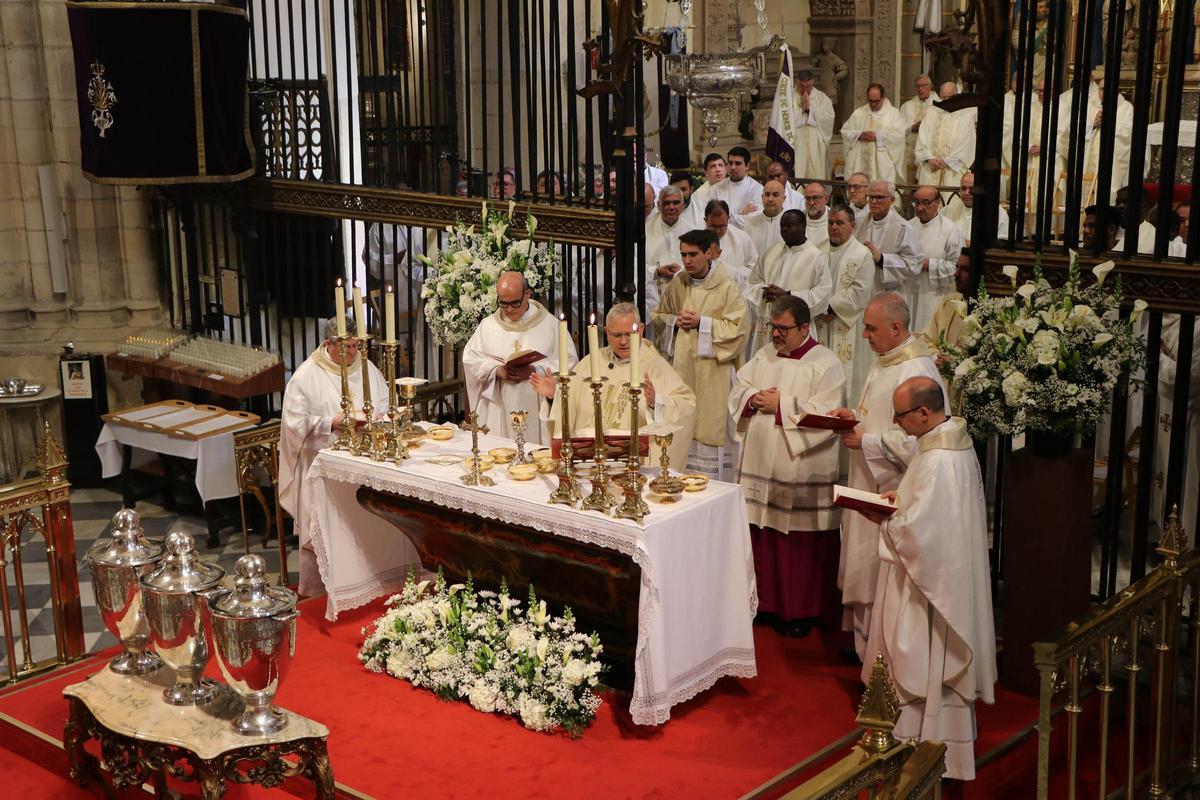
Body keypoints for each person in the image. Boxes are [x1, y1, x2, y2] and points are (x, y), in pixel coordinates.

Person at [854, 376, 996, 782]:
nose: (896, 424)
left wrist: (884, 518)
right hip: (943, 574)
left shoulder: (940, 458)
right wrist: (899, 501)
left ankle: (921, 747)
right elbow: (932, 511)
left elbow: (921, 533)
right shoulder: (949, 441)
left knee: (925, 658)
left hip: (930, 587)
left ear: (923, 412)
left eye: (900, 416)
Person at [827, 293, 947, 659]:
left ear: (896, 327)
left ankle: (880, 658)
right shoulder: (886, 359)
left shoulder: (916, 370)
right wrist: (852, 416)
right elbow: (877, 413)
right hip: (868, 474)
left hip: (894, 484)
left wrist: (868, 439)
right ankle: (864, 647)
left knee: (881, 570)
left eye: (870, 327)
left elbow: (921, 441)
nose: (864, 335)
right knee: (864, 563)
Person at [729, 295, 846, 638]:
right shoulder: (764, 355)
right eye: (772, 327)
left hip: (801, 467)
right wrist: (751, 399)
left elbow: (828, 413)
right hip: (761, 464)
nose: (775, 335)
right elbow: (739, 387)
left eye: (783, 329)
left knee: (797, 542)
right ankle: (763, 604)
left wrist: (783, 405)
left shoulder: (826, 364)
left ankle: (800, 611)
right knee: (761, 532)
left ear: (805, 328)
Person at [531, 302, 696, 468]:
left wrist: (656, 402)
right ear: (607, 332)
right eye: (617, 335)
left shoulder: (655, 365)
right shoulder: (592, 362)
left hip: (633, 464)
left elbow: (687, 404)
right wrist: (555, 395)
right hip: (589, 463)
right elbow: (569, 406)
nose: (624, 341)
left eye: (629, 334)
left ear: (640, 330)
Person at [652, 228, 751, 481]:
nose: (686, 261)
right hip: (683, 370)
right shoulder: (679, 283)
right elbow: (659, 318)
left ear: (709, 253)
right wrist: (675, 322)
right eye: (683, 254)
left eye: (693, 255)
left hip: (713, 374)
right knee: (683, 427)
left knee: (709, 431)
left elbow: (739, 330)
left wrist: (703, 323)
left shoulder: (726, 286)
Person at [279, 317, 390, 526]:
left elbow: (384, 400)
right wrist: (331, 422)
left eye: (354, 345)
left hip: (366, 458)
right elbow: (293, 423)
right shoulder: (306, 375)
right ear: (328, 343)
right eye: (345, 347)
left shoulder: (366, 366)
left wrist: (378, 417)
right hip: (325, 462)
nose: (351, 352)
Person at [462, 271, 577, 444]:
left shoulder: (550, 325)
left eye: (515, 303)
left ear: (527, 294)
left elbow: (570, 363)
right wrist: (496, 370)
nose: (509, 309)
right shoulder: (488, 326)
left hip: (537, 402)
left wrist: (535, 370)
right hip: (499, 405)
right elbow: (470, 360)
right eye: (503, 303)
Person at [744, 210, 831, 353]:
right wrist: (764, 292)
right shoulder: (770, 252)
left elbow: (822, 295)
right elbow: (752, 282)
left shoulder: (815, 257)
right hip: (768, 325)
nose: (784, 230)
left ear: (803, 226)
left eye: (789, 226)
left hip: (796, 327)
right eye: (782, 226)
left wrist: (788, 295)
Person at [815, 205, 875, 409]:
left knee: (850, 382)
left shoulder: (862, 254)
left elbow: (860, 292)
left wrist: (829, 307)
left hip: (848, 324)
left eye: (839, 223)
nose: (833, 227)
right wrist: (819, 307)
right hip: (820, 322)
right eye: (830, 222)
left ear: (852, 225)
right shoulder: (817, 250)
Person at [1055, 77, 1132, 209]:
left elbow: (1127, 133)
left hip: (1110, 161)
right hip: (1088, 160)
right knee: (1084, 194)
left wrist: (1108, 125)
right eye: (1101, 89)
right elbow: (1074, 129)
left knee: (1106, 193)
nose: (1104, 93)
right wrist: (1093, 125)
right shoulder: (1090, 106)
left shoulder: (1125, 108)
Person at [908, 186, 965, 333]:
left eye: (926, 202)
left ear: (938, 202)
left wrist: (928, 264)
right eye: (917, 202)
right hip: (909, 294)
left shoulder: (950, 230)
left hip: (934, 297)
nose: (920, 208)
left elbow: (957, 268)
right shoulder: (908, 227)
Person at [857, 180, 923, 295]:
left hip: (891, 293)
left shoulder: (903, 228)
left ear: (892, 200)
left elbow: (914, 263)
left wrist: (882, 259)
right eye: (871, 197)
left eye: (879, 198)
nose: (874, 202)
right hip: (863, 291)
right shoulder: (860, 224)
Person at [915, 83, 976, 204]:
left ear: (956, 96)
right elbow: (922, 138)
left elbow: (966, 142)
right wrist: (929, 158)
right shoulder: (932, 112)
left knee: (950, 204)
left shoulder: (965, 115)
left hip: (951, 171)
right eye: (944, 97)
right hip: (930, 168)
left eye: (950, 97)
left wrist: (947, 161)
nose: (947, 101)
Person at [841, 84, 907, 185]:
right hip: (860, 162)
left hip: (882, 165)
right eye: (870, 101)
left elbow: (899, 135)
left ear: (883, 98)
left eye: (876, 101)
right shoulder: (859, 113)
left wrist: (878, 136)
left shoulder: (893, 114)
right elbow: (845, 131)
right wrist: (859, 135)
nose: (873, 104)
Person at [645, 185, 690, 315]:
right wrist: (657, 271)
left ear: (682, 205)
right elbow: (636, 266)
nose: (671, 207)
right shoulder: (644, 232)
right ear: (658, 205)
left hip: (685, 298)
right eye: (666, 203)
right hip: (655, 298)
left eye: (676, 203)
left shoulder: (693, 230)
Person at [706, 200, 759, 294]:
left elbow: (755, 270)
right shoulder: (696, 239)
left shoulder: (742, 237)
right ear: (706, 220)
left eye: (722, 226)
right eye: (714, 227)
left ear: (728, 219)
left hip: (736, 292)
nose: (718, 231)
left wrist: (734, 272)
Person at [793, 69, 835, 181]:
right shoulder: (789, 98)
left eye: (809, 86)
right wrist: (801, 110)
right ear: (797, 82)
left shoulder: (822, 98)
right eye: (802, 86)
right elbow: (785, 122)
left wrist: (810, 111)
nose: (805, 90)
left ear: (813, 82)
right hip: (797, 143)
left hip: (816, 143)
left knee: (817, 173)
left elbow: (829, 118)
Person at [953, 171, 1010, 244]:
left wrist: (971, 245)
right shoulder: (949, 210)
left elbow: (1002, 244)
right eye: (964, 188)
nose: (967, 193)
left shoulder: (998, 213)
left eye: (972, 189)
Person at [899, 75, 935, 184]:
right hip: (910, 149)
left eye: (923, 85)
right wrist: (912, 127)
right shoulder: (907, 106)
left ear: (930, 86)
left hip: (928, 150)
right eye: (918, 86)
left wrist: (925, 127)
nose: (920, 89)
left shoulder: (938, 105)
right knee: (908, 182)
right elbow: (898, 127)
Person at [742, 179, 789, 257]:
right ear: (762, 197)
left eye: (775, 195)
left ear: (784, 198)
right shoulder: (750, 223)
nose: (770, 199)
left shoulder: (791, 223)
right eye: (767, 194)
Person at [724, 145, 764, 222]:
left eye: (737, 163)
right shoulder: (717, 188)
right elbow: (712, 218)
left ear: (747, 166)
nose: (733, 167)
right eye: (730, 163)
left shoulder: (757, 189)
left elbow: (751, 220)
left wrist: (725, 219)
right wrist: (740, 214)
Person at [803, 181, 832, 253]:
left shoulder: (834, 220)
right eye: (808, 198)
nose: (811, 203)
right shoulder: (799, 219)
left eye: (815, 198)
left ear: (826, 199)